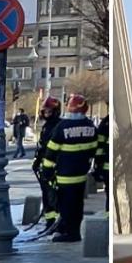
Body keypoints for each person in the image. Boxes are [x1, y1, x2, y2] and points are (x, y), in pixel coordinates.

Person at [40, 94, 98, 243]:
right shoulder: (90, 126)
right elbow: (94, 149)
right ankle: (74, 231)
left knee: (65, 205)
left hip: (65, 175)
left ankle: (69, 233)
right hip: (81, 174)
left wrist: (46, 171)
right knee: (77, 204)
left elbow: (51, 151)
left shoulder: (62, 127)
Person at [32, 96, 62, 229]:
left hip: (55, 167)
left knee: (53, 196)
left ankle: (56, 223)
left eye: (50, 112)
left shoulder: (59, 126)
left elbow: (53, 148)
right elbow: (42, 146)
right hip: (45, 166)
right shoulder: (46, 126)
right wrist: (37, 161)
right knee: (46, 194)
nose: (47, 114)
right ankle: (49, 222)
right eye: (45, 112)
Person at [95, 114, 110, 212]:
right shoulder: (105, 123)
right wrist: (98, 165)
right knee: (109, 193)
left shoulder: (105, 122)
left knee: (109, 193)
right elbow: (99, 146)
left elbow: (99, 147)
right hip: (106, 167)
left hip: (107, 166)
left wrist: (98, 165)